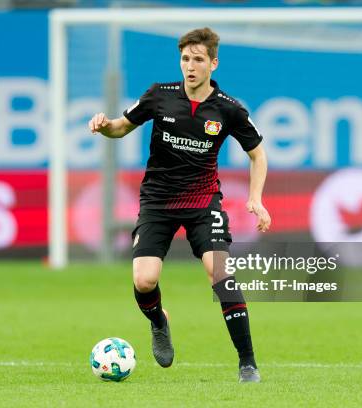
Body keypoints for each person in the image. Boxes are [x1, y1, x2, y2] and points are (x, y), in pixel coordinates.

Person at [88, 27, 271, 383]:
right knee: (144, 280)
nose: (190, 66)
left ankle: (247, 363)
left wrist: (255, 198)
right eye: (185, 58)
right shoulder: (160, 95)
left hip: (203, 201)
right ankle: (159, 322)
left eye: (198, 59)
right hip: (157, 200)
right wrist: (104, 125)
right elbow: (121, 128)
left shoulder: (230, 109)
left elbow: (257, 154)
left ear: (213, 64)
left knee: (220, 274)